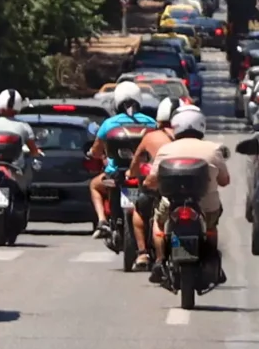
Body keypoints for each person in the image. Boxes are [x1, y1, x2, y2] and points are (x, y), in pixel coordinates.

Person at [143, 106, 229, 284]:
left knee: (158, 223)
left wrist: (147, 185)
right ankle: (212, 259)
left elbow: (151, 180)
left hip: (171, 204)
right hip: (207, 204)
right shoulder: (213, 149)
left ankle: (159, 260)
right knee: (211, 226)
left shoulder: (166, 149)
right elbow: (224, 180)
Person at [88, 81, 157, 238]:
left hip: (115, 175)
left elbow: (96, 151)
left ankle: (102, 221)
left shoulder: (109, 123)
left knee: (94, 186)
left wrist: (93, 153)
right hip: (143, 174)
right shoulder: (151, 122)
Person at [126, 96, 179, 269]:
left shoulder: (151, 137)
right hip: (186, 189)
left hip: (159, 188)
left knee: (140, 210)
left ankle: (142, 253)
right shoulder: (189, 137)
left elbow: (135, 164)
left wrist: (130, 173)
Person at [0, 90, 42, 192]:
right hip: (16, 170)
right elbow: (33, 151)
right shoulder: (24, 126)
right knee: (26, 186)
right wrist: (36, 152)